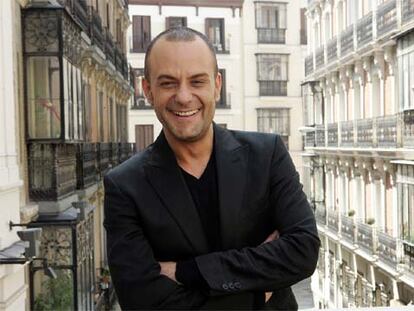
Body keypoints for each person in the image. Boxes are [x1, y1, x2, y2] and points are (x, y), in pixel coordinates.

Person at [104, 27, 320, 310]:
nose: (183, 96)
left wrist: (187, 271)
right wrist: (256, 293)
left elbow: (303, 251)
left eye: (197, 81)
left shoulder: (267, 155)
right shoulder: (124, 186)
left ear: (217, 85)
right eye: (168, 83)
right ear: (147, 91)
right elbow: (142, 300)